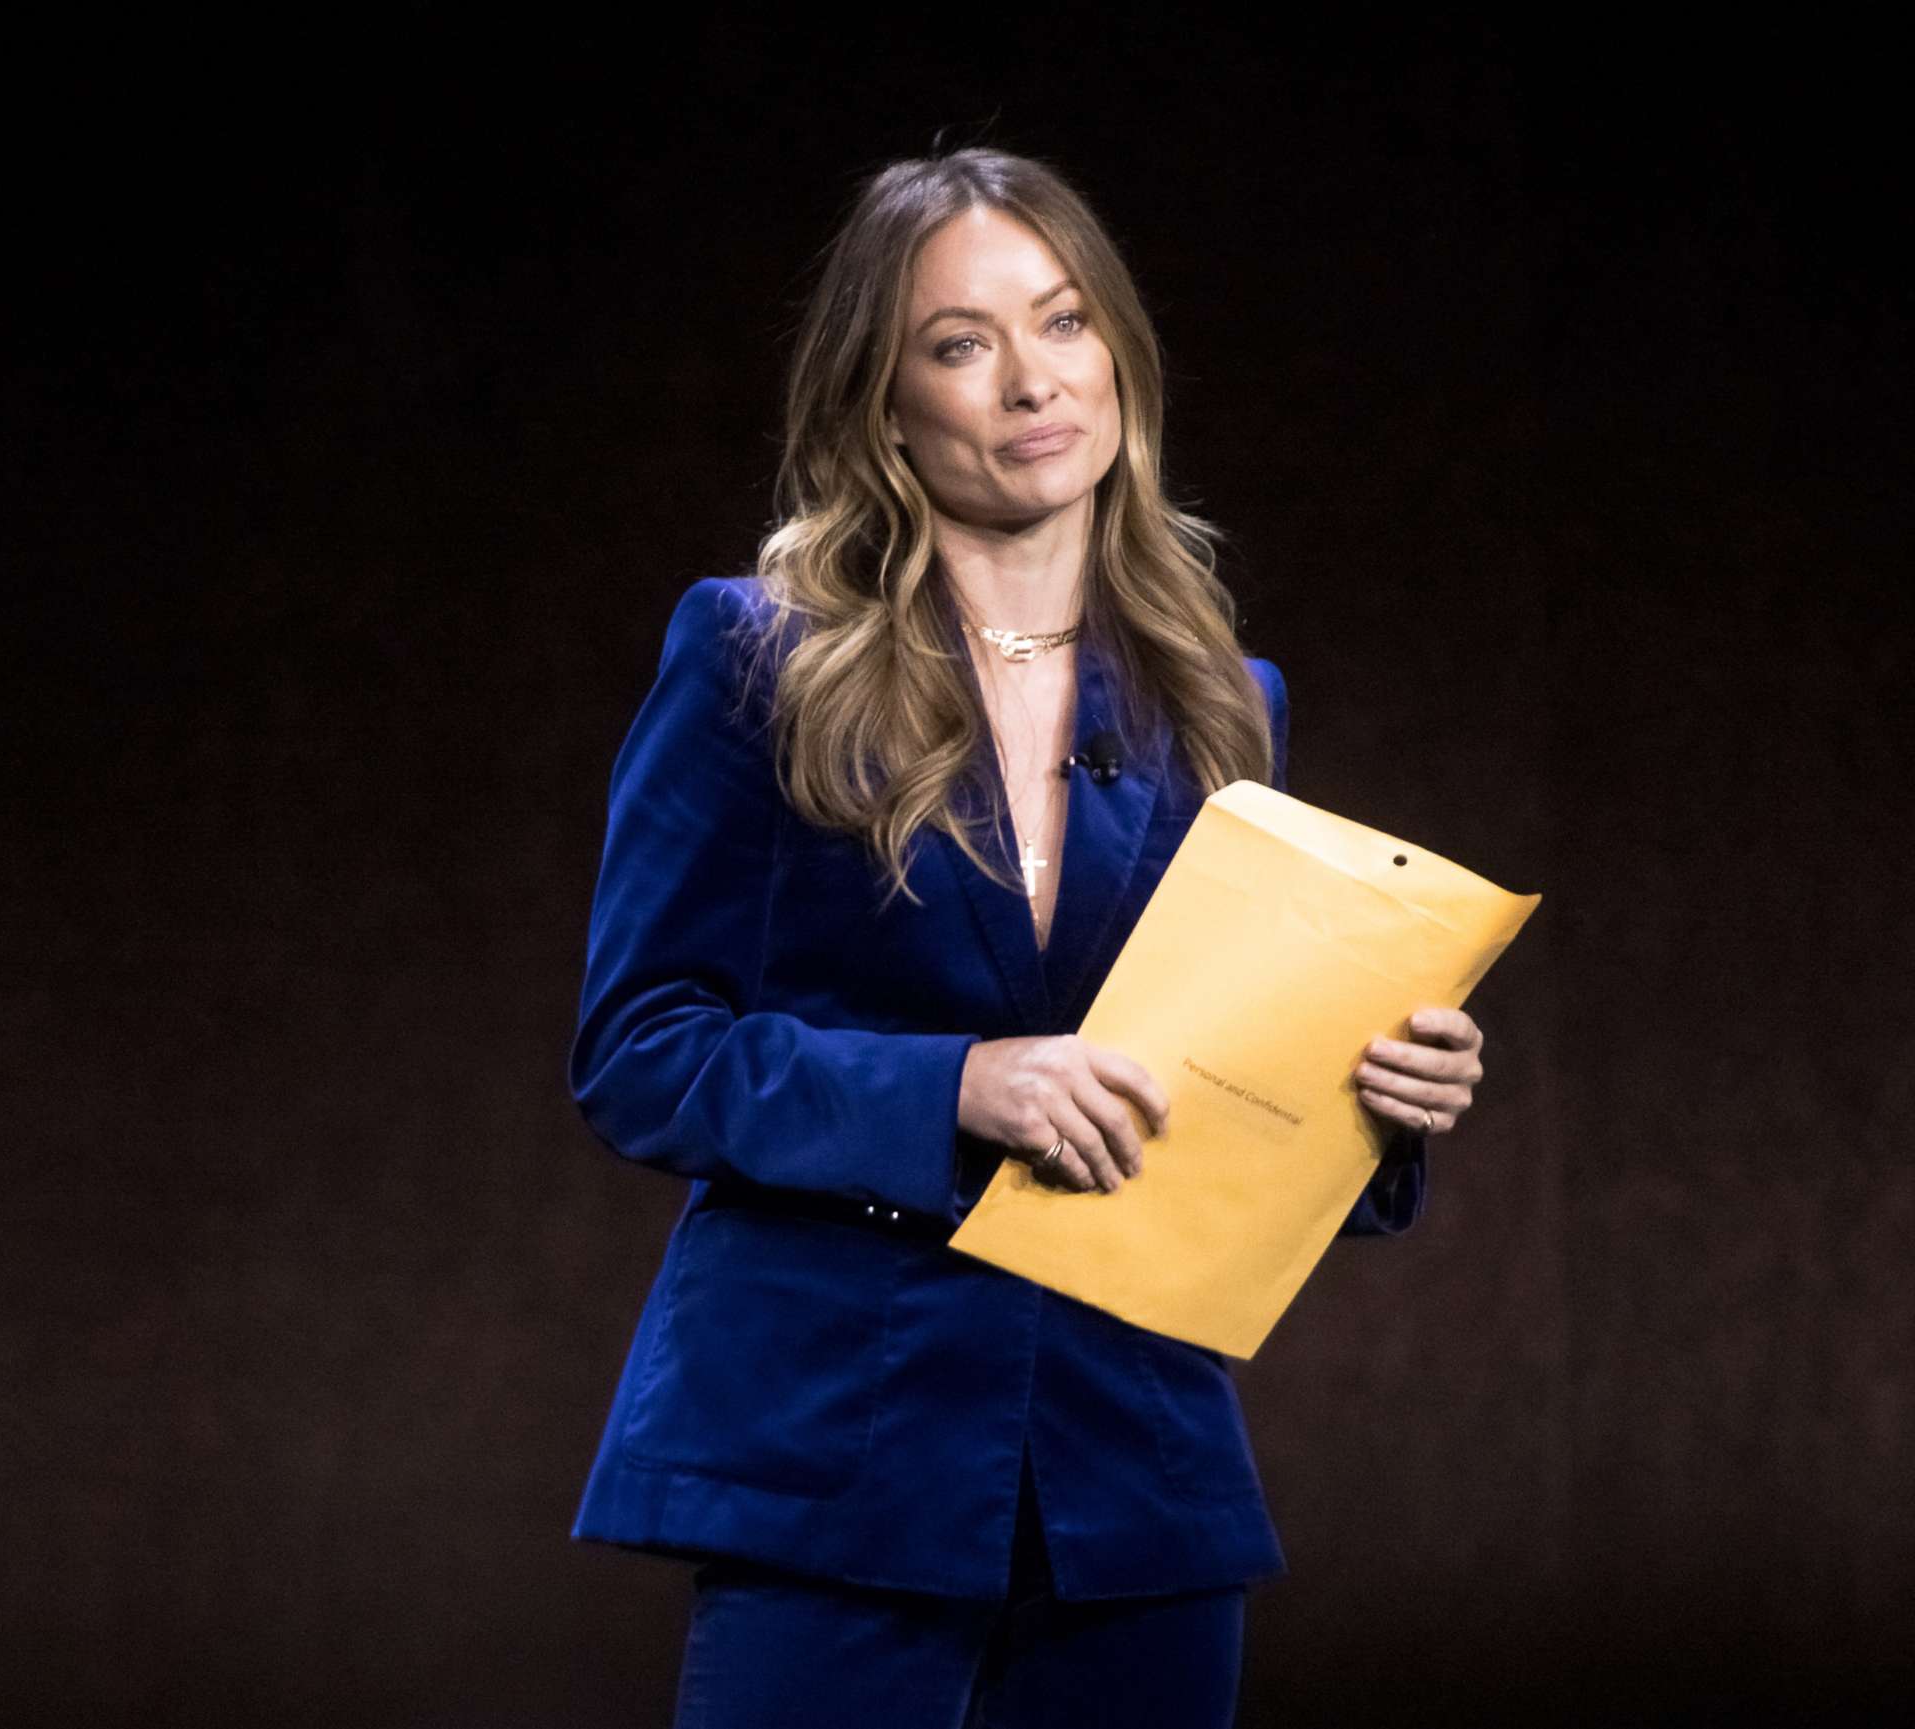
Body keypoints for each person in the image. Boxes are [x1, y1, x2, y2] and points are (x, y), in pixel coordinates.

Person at [564, 148, 1491, 1728]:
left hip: (1133, 1480)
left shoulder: (1221, 698)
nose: (1030, 379)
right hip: (833, 1457)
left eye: (1063, 322)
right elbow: (641, 1048)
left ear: (1119, 352)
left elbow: (1203, 1087)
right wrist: (954, 1091)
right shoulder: (753, 656)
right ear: (885, 399)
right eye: (960, 342)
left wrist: (1378, 1099)